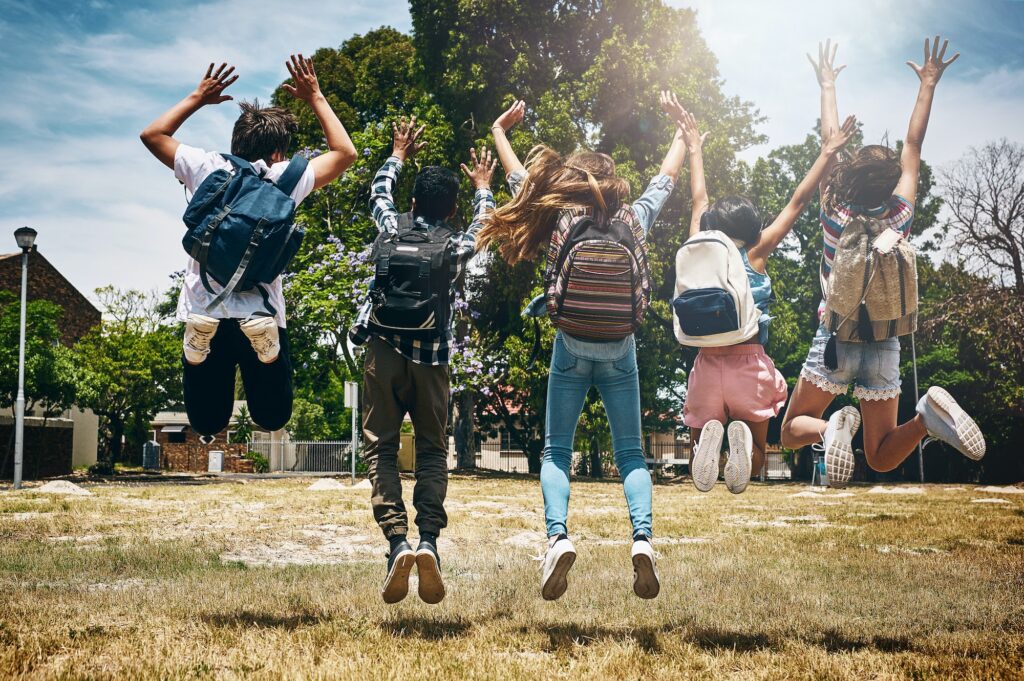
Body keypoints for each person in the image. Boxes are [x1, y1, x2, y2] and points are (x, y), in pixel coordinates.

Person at [479, 94, 688, 601]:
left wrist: (499, 132)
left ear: (573, 179)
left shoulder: (559, 214)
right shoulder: (634, 217)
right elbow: (666, 178)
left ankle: (558, 538)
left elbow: (517, 179)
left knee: (557, 449)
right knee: (632, 453)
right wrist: (683, 130)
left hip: (570, 343)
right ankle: (642, 541)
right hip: (621, 345)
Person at [780, 36, 984, 485]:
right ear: (891, 184)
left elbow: (828, 143)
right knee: (880, 455)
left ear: (847, 179)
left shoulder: (835, 215)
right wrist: (928, 84)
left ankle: (830, 427)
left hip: (836, 338)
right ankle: (925, 420)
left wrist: (828, 84)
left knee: (793, 430)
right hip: (886, 341)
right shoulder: (901, 218)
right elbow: (914, 143)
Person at [140, 56, 356, 439]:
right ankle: (267, 352)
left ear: (236, 143)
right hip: (262, 308)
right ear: (278, 153)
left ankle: (196, 349)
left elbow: (152, 135)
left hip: (203, 307)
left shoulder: (208, 167)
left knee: (208, 421)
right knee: (272, 415)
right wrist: (316, 97)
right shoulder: (286, 177)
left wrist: (198, 97)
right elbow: (344, 153)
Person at [664, 95, 857, 493]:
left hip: (704, 363)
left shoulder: (699, 242)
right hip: (748, 364)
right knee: (752, 462)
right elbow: (798, 201)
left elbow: (698, 198)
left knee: (702, 449)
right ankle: (738, 442)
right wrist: (826, 153)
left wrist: (695, 148)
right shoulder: (755, 251)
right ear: (753, 227)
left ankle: (708, 442)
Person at [350, 117, 497, 604]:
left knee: (381, 449)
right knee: (433, 450)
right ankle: (429, 540)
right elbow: (485, 225)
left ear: (413, 204)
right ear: (451, 207)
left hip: (383, 353)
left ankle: (397, 543)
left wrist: (397, 154)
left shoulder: (391, 229)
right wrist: (482, 186)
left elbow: (378, 193)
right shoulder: (453, 246)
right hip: (432, 359)